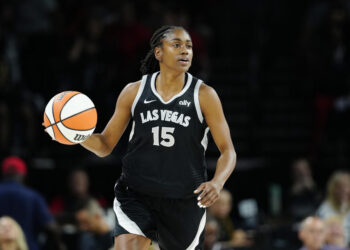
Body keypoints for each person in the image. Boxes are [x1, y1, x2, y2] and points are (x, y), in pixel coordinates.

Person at [80, 25, 237, 250]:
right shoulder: (134, 92)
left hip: (184, 199)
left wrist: (217, 182)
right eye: (177, 45)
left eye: (189, 46)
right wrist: (76, 135)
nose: (185, 51)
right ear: (158, 52)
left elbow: (228, 151)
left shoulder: (204, 95)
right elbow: (105, 145)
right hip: (136, 192)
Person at [0, 156, 65, 250]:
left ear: (3, 173)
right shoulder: (33, 196)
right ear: (23, 174)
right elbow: (50, 227)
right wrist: (59, 244)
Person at [317, 171, 350, 246]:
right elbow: (320, 232)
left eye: (347, 186)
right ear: (333, 189)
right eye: (340, 187)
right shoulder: (325, 208)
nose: (345, 190)